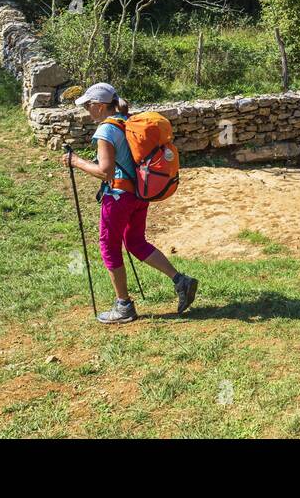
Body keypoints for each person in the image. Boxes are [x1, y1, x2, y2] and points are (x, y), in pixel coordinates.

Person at [61, 82, 198, 324]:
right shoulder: (127, 122)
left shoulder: (105, 131)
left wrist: (76, 162)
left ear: (100, 106)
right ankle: (180, 280)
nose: (86, 111)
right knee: (135, 242)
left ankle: (123, 306)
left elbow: (105, 171)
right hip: (139, 195)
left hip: (117, 197)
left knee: (109, 247)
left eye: (88, 106)